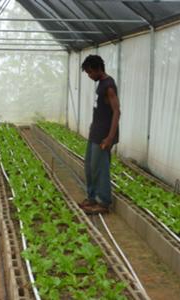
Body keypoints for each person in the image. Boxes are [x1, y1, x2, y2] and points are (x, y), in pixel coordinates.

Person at [79, 55, 121, 214]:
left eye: (90, 72)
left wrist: (110, 137)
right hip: (95, 133)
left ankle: (103, 202)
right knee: (89, 166)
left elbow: (117, 111)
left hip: (104, 136)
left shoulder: (109, 86)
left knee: (100, 168)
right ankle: (91, 197)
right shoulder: (100, 84)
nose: (89, 76)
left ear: (98, 69)